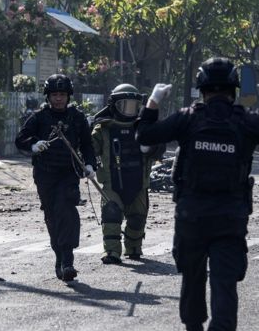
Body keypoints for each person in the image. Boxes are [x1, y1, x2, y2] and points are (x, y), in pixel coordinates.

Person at [136, 57, 259, 331]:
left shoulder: (188, 118)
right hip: (230, 216)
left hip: (191, 216)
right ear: (233, 90)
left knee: (192, 277)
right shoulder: (246, 121)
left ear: (202, 90)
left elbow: (145, 136)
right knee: (224, 282)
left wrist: (152, 103)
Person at [15, 74, 97, 282]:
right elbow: (20, 139)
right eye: (54, 95)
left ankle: (68, 262)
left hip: (69, 174)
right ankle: (59, 257)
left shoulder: (77, 118)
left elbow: (87, 145)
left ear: (68, 96)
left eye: (62, 94)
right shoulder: (39, 118)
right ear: (48, 97)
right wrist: (34, 145)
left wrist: (89, 165)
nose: (58, 99)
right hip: (45, 175)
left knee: (66, 210)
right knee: (52, 216)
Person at [91, 84, 164, 264]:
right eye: (125, 105)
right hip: (111, 182)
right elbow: (89, 149)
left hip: (139, 182)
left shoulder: (144, 127)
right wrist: (86, 161)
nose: (129, 110)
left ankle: (133, 247)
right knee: (111, 213)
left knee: (138, 218)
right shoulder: (102, 128)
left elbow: (159, 148)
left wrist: (151, 146)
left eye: (133, 106)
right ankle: (112, 252)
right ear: (114, 105)